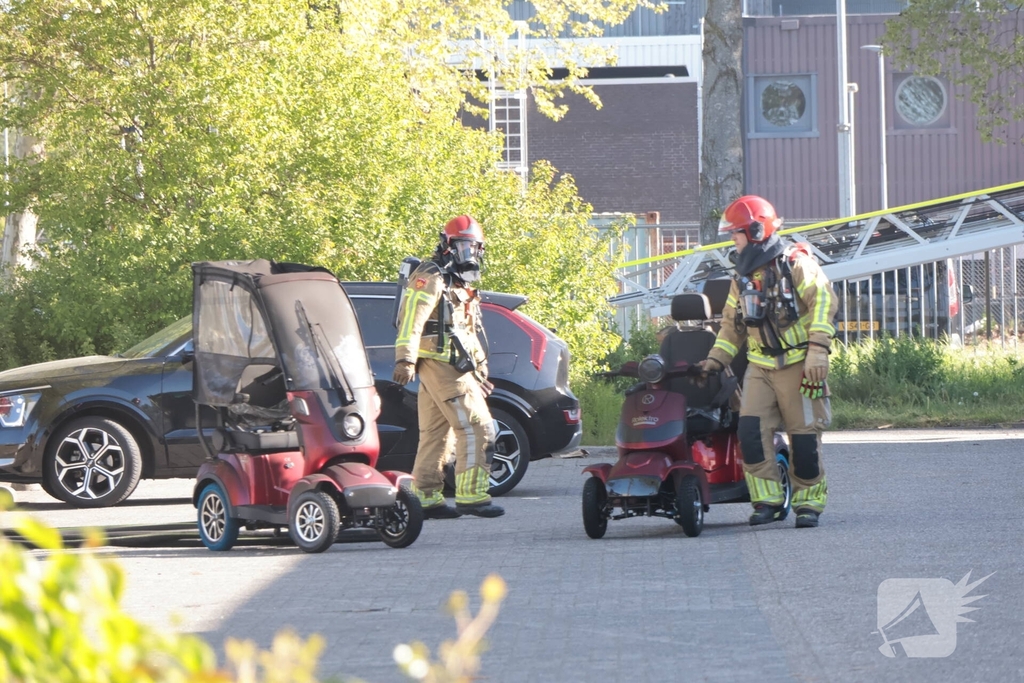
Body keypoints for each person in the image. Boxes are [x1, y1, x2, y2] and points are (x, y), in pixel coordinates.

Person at [699, 195, 837, 528]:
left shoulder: (795, 263)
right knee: (749, 432)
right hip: (760, 367)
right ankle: (769, 501)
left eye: (736, 233)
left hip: (800, 365)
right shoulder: (741, 276)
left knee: (803, 438)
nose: (732, 239)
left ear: (756, 230)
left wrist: (818, 348)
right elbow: (732, 325)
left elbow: (823, 302)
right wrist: (715, 360)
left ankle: (809, 504)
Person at [392, 215, 504, 519]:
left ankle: (426, 498)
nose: (467, 252)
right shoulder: (431, 275)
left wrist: (479, 371)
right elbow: (412, 316)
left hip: (452, 365)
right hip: (441, 363)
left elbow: (465, 331)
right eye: (461, 245)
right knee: (478, 426)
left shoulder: (458, 282)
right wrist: (404, 357)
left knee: (436, 434)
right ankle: (472, 496)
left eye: (472, 246)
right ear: (446, 244)